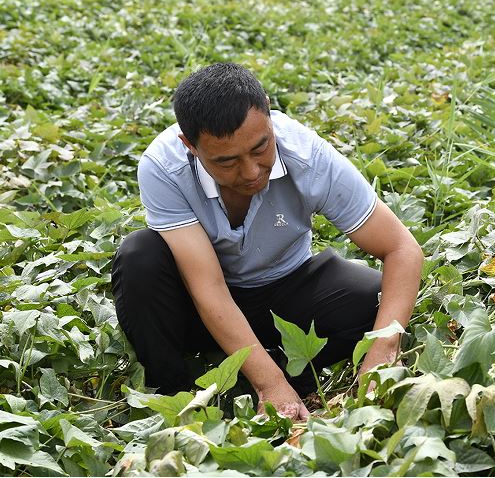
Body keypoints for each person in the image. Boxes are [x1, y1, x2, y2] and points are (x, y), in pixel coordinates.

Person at [111, 62, 423, 420]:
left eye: (260, 148)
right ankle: (174, 393)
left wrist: (383, 350)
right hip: (203, 304)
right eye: (226, 161)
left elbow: (402, 248)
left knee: (375, 299)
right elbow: (208, 287)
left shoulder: (308, 155)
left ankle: (272, 365)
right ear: (190, 146)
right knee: (140, 255)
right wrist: (268, 384)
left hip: (286, 288)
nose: (251, 172)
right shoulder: (163, 167)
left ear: (269, 113)